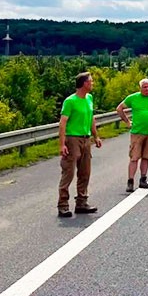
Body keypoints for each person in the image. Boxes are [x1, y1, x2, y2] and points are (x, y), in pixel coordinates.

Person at [57, 72, 102, 217]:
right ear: (84, 83)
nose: (93, 83)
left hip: (85, 138)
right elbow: (63, 123)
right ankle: (63, 204)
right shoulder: (70, 101)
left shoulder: (89, 98)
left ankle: (82, 202)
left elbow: (91, 118)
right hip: (72, 139)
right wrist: (62, 144)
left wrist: (96, 136)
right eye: (91, 81)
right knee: (68, 171)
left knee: (85, 172)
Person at [116, 78, 148, 192]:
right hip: (137, 132)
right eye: (144, 87)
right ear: (140, 88)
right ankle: (130, 181)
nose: (147, 89)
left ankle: (143, 179)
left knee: (146, 156)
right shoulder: (133, 98)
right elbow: (120, 108)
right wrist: (127, 121)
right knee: (134, 157)